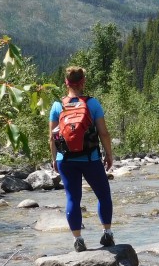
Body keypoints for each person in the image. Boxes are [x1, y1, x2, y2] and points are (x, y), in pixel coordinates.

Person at [49, 66, 115, 252]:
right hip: (90, 158)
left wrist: (54, 158)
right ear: (83, 82)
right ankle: (107, 234)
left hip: (66, 159)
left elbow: (52, 137)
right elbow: (103, 133)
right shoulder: (92, 104)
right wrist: (109, 154)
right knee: (103, 195)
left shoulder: (57, 105)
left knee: (73, 198)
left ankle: (78, 239)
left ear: (66, 83)